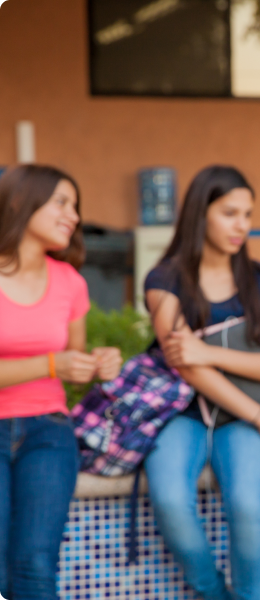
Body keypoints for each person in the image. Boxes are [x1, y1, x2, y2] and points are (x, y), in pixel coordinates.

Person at [143, 165, 260, 600]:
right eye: (230, 213)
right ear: (201, 213)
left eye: (247, 215)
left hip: (243, 418)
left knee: (247, 506)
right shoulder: (165, 280)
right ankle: (214, 593)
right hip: (184, 413)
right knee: (170, 500)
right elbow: (185, 367)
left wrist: (208, 351)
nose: (241, 226)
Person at [0, 165, 122, 600]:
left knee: (35, 568)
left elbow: (72, 366)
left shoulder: (71, 282)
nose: (74, 215)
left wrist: (98, 365)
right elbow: (56, 363)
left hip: (49, 433)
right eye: (61, 203)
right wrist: (53, 363)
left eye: (75, 205)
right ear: (20, 201)